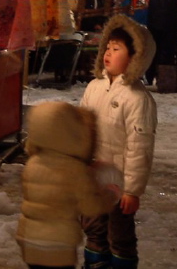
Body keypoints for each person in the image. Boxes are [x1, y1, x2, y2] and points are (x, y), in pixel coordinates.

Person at [80, 14, 157, 269]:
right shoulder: (94, 87)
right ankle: (95, 264)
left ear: (135, 57)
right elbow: (81, 129)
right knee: (92, 228)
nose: (108, 53)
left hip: (120, 183)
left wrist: (132, 190)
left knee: (119, 235)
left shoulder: (137, 99)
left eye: (117, 49)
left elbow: (139, 148)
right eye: (108, 47)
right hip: (94, 178)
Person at [16, 101, 118, 269]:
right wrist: (109, 197)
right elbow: (90, 207)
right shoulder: (74, 169)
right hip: (58, 244)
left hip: (29, 240)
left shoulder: (33, 162)